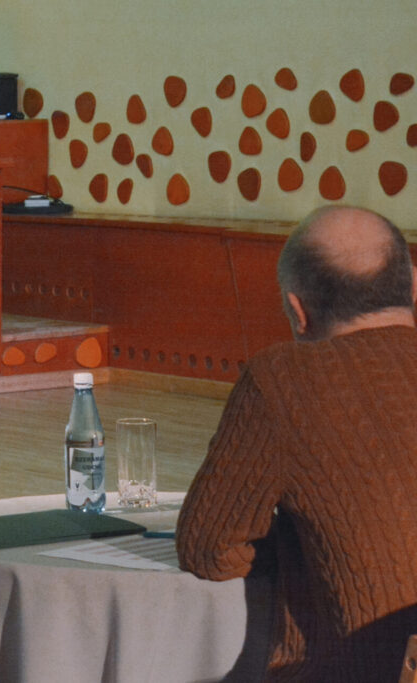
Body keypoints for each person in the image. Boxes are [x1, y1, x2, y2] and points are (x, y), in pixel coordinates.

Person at [176, 205, 417, 681]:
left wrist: (305, 546)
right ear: (413, 288)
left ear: (298, 311)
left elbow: (208, 547)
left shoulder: (283, 380)